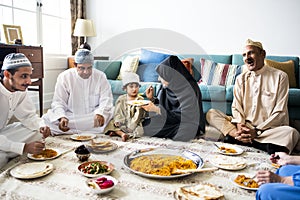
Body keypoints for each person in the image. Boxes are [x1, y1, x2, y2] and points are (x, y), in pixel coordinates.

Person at [206, 39, 300, 154]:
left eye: (251, 53)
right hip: (244, 126)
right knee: (211, 113)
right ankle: (239, 137)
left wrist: (256, 131)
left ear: (262, 54)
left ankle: (242, 140)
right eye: (244, 55)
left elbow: (280, 112)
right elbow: (236, 107)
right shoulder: (240, 78)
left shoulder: (280, 77)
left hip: (267, 130)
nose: (247, 58)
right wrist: (240, 126)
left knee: (291, 133)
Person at [42, 49, 114, 135]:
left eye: (89, 68)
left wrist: (100, 113)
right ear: (75, 65)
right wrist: (62, 117)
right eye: (82, 68)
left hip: (93, 116)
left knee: (112, 113)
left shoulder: (100, 76)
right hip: (72, 116)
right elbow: (58, 101)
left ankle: (69, 131)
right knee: (47, 119)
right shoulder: (64, 77)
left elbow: (107, 99)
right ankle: (97, 130)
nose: (86, 72)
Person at [0, 53, 51, 168]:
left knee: (37, 132)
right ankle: (6, 153)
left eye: (29, 76)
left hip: (2, 133)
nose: (29, 81)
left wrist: (41, 126)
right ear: (7, 74)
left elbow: (28, 116)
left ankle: (7, 151)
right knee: (1, 159)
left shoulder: (20, 90)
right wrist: (23, 148)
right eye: (24, 76)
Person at [142, 55, 205, 141]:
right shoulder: (166, 86)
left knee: (187, 130)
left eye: (162, 76)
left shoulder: (190, 89)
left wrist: (157, 110)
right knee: (146, 124)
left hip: (187, 123)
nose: (159, 79)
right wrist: (152, 99)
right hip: (170, 121)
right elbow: (163, 106)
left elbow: (185, 116)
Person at [104, 72, 146, 141]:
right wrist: (118, 121)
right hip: (122, 121)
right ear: (125, 88)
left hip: (134, 122)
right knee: (111, 123)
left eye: (136, 86)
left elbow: (138, 116)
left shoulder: (140, 100)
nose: (134, 89)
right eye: (131, 86)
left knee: (138, 131)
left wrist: (131, 126)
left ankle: (119, 133)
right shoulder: (121, 99)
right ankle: (121, 133)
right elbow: (117, 112)